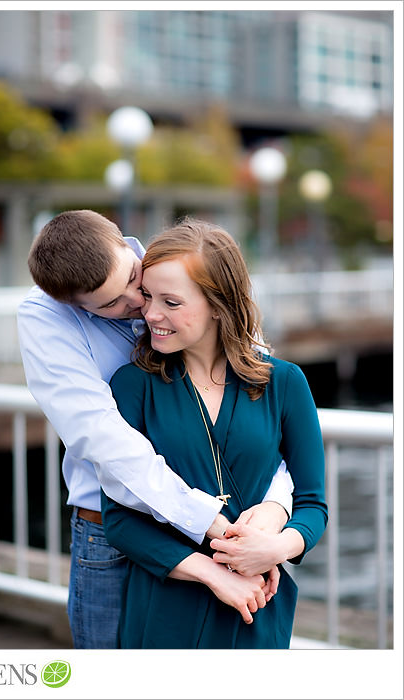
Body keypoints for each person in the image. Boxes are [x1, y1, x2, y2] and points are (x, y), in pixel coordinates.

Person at [18, 209, 295, 648]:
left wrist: (269, 520)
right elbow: (103, 439)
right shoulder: (44, 317)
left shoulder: (185, 267)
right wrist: (218, 531)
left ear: (123, 242)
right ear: (73, 305)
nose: (139, 305)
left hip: (224, 525)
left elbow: (259, 406)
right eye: (112, 304)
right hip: (117, 533)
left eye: (135, 277)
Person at [100, 217, 327, 647]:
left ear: (218, 304)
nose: (150, 314)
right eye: (148, 296)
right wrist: (212, 575)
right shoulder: (131, 386)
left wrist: (276, 549)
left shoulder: (285, 382)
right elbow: (120, 520)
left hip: (257, 607)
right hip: (164, 606)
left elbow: (314, 503)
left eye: (171, 301)